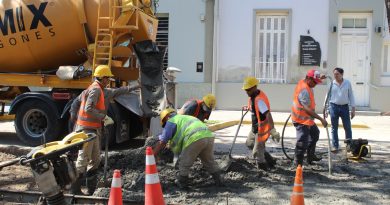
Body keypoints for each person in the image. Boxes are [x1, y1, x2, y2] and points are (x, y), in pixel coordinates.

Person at [69, 65, 139, 195]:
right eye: (108, 78)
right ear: (103, 78)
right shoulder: (95, 90)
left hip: (93, 130)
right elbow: (88, 108)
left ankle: (91, 190)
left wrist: (136, 86)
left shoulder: (101, 90)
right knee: (83, 160)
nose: (109, 81)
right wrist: (104, 117)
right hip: (86, 131)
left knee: (95, 160)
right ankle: (75, 190)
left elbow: (118, 91)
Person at [153, 108, 222, 189]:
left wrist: (154, 154)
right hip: (209, 136)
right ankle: (219, 181)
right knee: (209, 161)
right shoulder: (185, 118)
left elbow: (163, 141)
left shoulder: (171, 121)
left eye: (164, 124)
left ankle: (182, 182)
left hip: (195, 137)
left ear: (166, 117)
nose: (165, 127)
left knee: (184, 162)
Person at [242, 76, 280, 170]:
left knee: (257, 153)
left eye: (248, 89)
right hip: (254, 127)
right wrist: (248, 108)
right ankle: (270, 160)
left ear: (254, 87)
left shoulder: (259, 101)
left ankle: (263, 168)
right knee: (249, 143)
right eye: (246, 90)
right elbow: (255, 108)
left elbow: (268, 115)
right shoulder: (253, 96)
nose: (247, 92)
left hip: (261, 130)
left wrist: (273, 130)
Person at [291, 69, 328, 166]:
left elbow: (311, 78)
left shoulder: (306, 82)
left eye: (317, 82)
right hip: (300, 120)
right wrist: (321, 119)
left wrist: (319, 78)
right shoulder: (304, 90)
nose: (315, 84)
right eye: (314, 82)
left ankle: (310, 157)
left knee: (315, 134)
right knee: (302, 141)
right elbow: (307, 109)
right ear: (308, 78)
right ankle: (297, 163)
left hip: (308, 119)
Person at [325, 67, 355, 152]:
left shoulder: (347, 83)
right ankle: (335, 146)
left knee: (347, 127)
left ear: (342, 74)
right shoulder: (331, 83)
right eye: (334, 74)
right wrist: (326, 109)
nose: (335, 76)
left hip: (344, 107)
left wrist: (353, 109)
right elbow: (327, 96)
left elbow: (351, 95)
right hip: (333, 107)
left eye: (337, 74)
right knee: (334, 128)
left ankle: (349, 146)